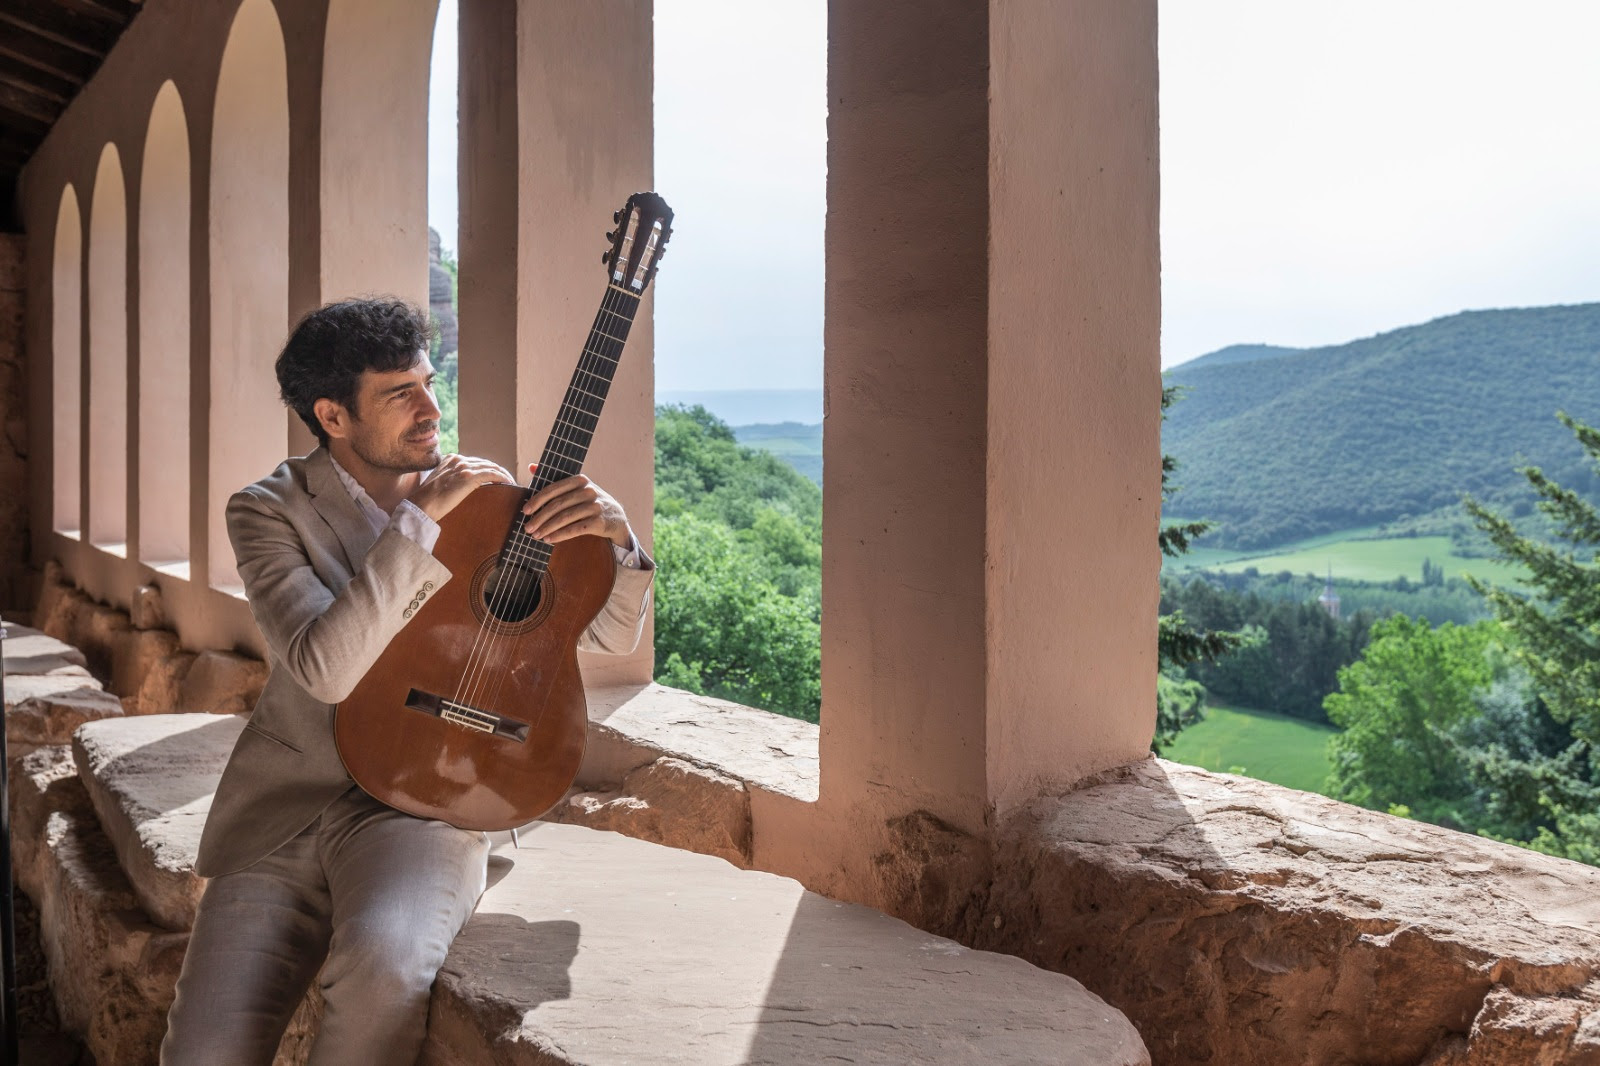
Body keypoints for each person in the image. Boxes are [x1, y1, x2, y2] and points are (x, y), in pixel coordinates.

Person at [160, 298, 654, 1065]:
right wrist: (418, 526)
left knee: (387, 967)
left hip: (433, 801)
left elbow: (607, 632)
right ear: (333, 415)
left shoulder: (492, 502)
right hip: (287, 811)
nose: (432, 409)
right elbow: (325, 667)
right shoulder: (268, 511)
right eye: (401, 394)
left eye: (429, 382)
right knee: (202, 1052)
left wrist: (617, 536)